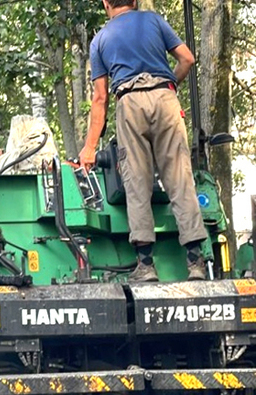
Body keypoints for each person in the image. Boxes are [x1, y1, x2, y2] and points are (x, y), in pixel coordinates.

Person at [79, 0, 208, 282]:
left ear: (105, 4)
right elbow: (187, 58)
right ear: (134, 1)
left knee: (136, 181)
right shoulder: (153, 20)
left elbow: (100, 98)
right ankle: (195, 261)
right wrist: (168, 85)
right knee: (180, 178)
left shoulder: (100, 39)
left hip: (129, 102)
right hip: (165, 99)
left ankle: (146, 265)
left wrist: (89, 148)